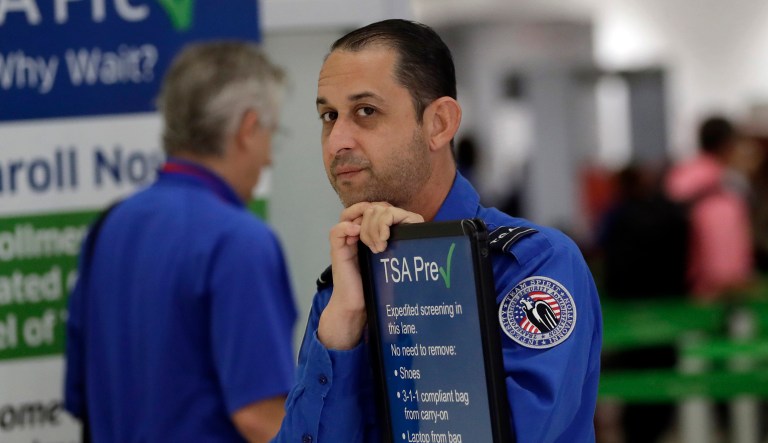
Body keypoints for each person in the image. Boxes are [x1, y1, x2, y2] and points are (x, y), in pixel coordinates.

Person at [273, 19, 602, 443]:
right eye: (328, 115)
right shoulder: (348, 282)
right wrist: (343, 327)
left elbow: (506, 433)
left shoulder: (534, 265)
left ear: (439, 123)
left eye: (365, 111)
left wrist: (426, 284)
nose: (337, 140)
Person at [64, 42, 297, 442]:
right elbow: (261, 417)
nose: (269, 160)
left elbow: (78, 395)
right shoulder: (240, 241)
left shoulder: (109, 227)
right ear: (247, 127)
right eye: (271, 135)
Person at [664, 115, 754, 301]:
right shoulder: (705, 174)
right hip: (707, 282)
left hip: (727, 277)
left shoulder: (727, 175)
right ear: (727, 143)